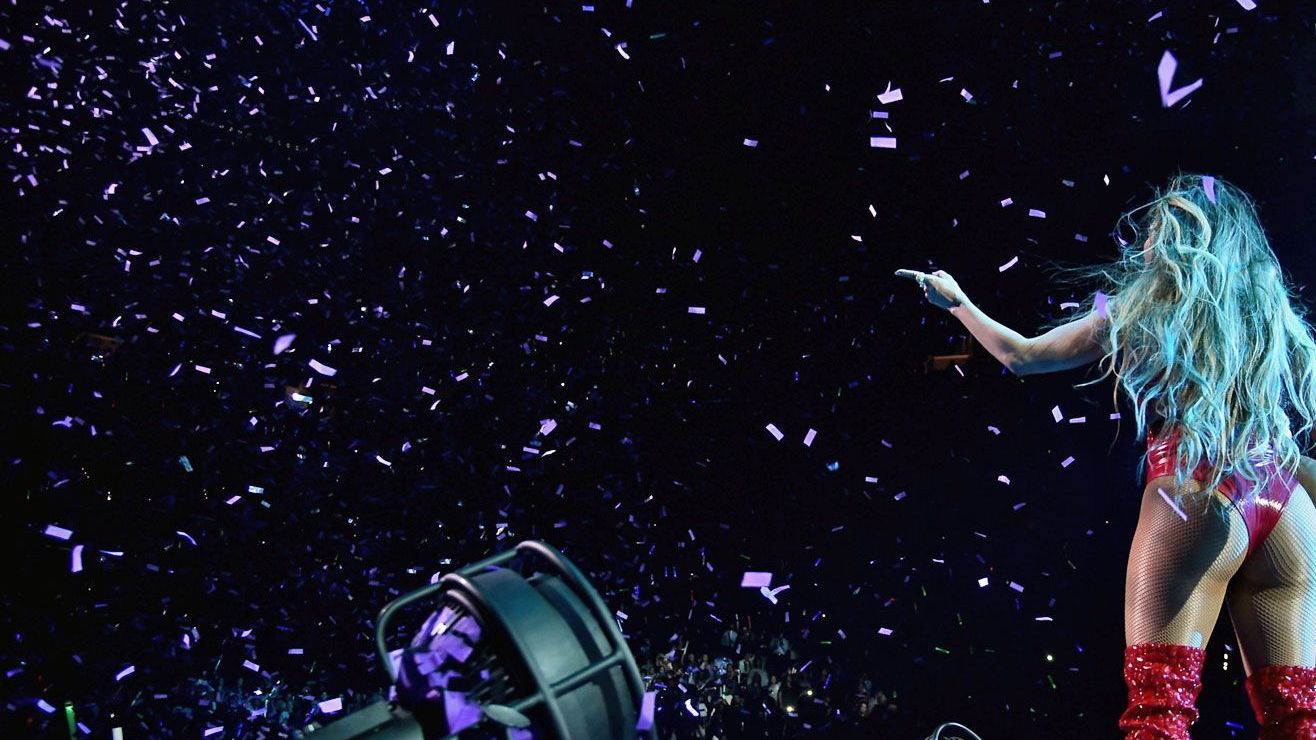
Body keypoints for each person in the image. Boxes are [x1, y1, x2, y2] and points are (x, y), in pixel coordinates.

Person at [896, 173, 1316, 738]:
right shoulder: (1271, 312)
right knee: (1297, 717)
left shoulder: (1141, 305)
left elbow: (1023, 356)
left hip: (1196, 488)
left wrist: (958, 304)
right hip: (1287, 504)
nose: (1146, 239)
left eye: (1156, 226)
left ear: (1178, 237)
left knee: (1160, 707)